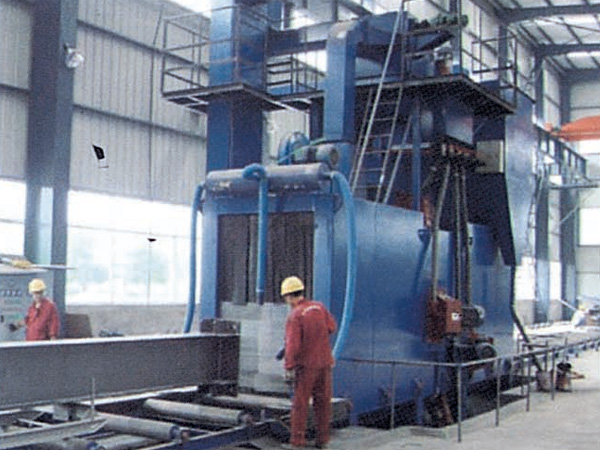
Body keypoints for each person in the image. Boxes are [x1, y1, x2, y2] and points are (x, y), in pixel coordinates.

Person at [281, 276, 337, 449]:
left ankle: (297, 442)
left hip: (306, 367)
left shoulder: (295, 316)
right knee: (323, 403)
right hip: (324, 363)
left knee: (300, 404)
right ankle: (322, 440)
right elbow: (332, 327)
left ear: (289, 296)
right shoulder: (319, 307)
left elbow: (293, 345)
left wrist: (289, 367)